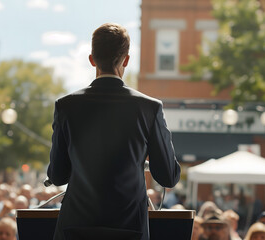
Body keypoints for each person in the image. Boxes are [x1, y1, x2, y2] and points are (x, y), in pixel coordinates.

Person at [47, 23, 181, 240]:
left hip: (75, 228)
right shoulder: (149, 108)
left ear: (92, 59)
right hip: (129, 229)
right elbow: (168, 176)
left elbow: (57, 175)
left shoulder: (66, 106)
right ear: (126, 59)